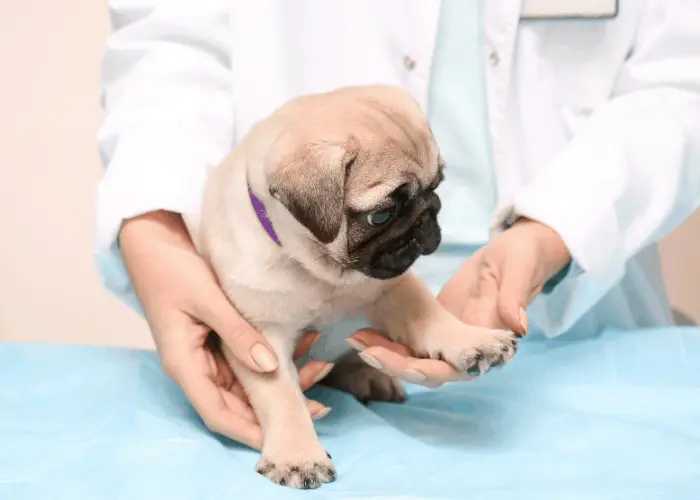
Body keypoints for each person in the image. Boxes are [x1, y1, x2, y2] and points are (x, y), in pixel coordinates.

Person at [96, 0, 700, 449]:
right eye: (388, 210)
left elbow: (682, 80)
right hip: (280, 268)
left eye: (432, 194)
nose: (420, 223)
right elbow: (169, 42)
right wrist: (153, 229)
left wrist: (560, 225)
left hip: (575, 312)